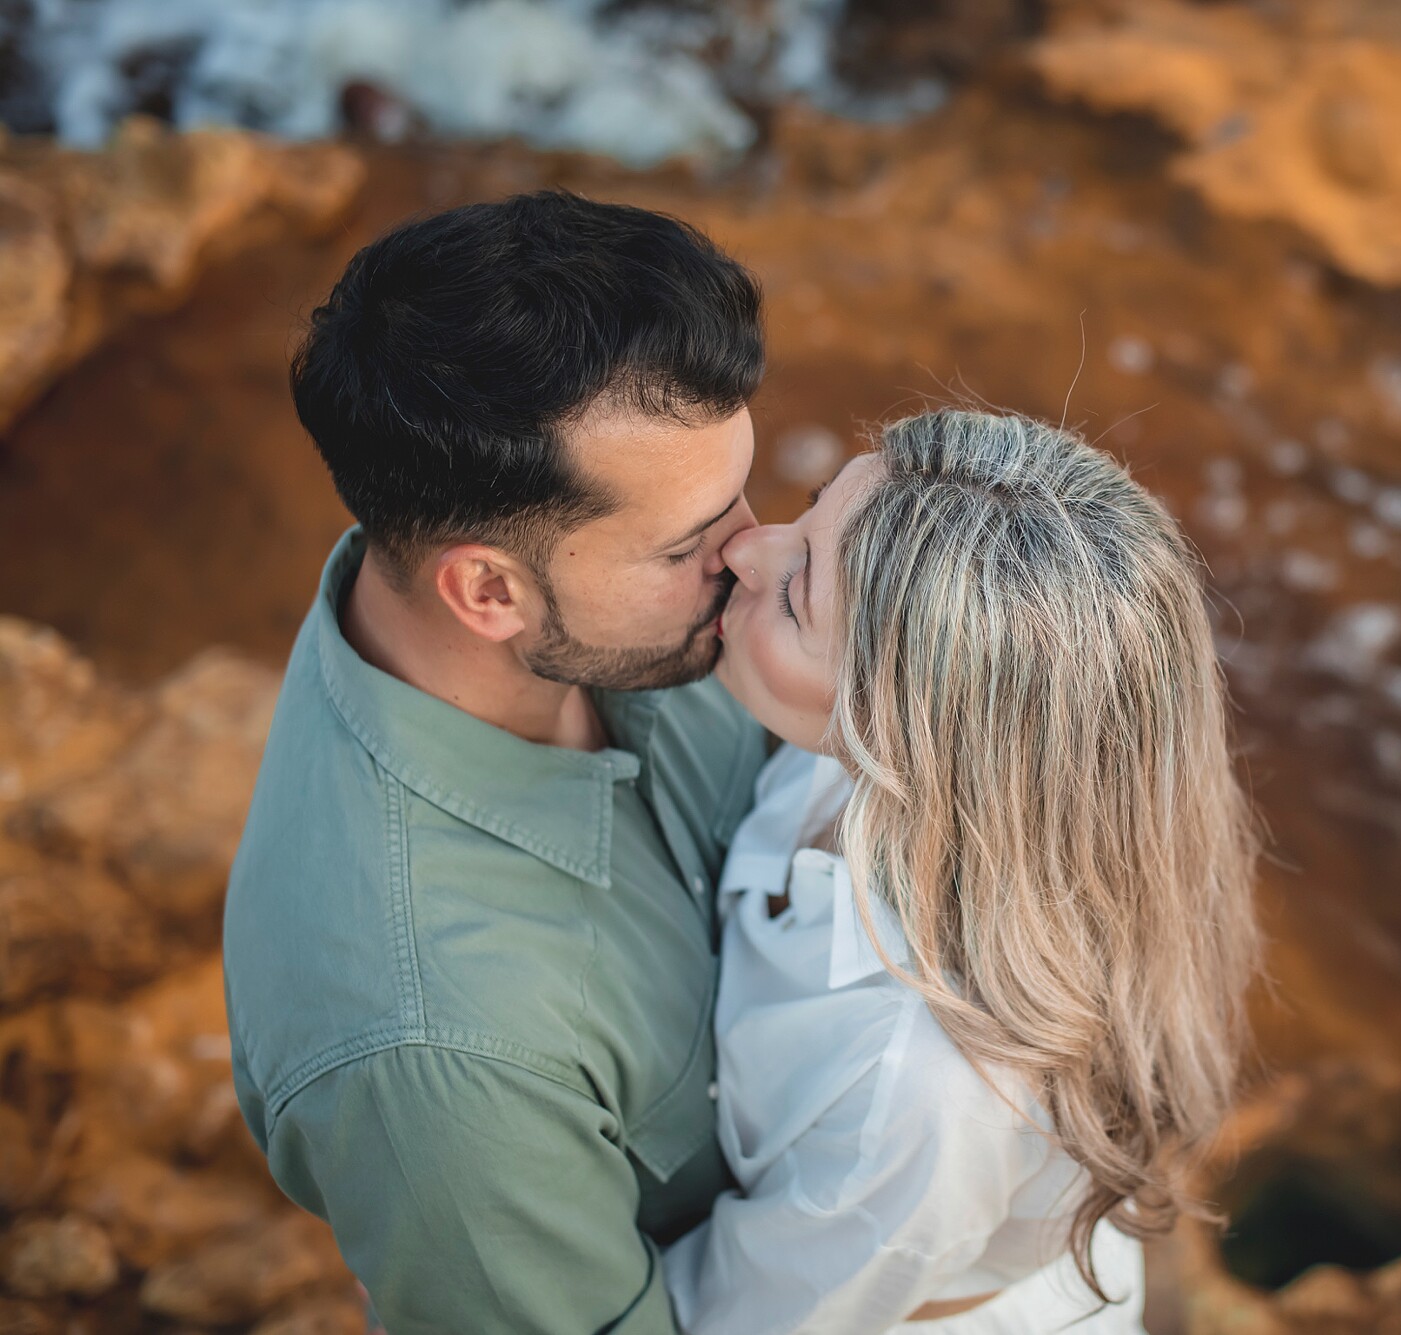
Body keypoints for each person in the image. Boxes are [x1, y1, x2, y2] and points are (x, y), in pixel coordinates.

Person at [222, 191, 769, 1333]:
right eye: (688, 545)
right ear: (485, 592)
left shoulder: (593, 605)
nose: (759, 552)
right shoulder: (434, 1052)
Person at [663, 409, 1262, 1332]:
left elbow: (732, 1321)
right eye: (813, 509)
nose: (748, 548)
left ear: (904, 728)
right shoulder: (969, 789)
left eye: (797, 594)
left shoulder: (914, 1098)